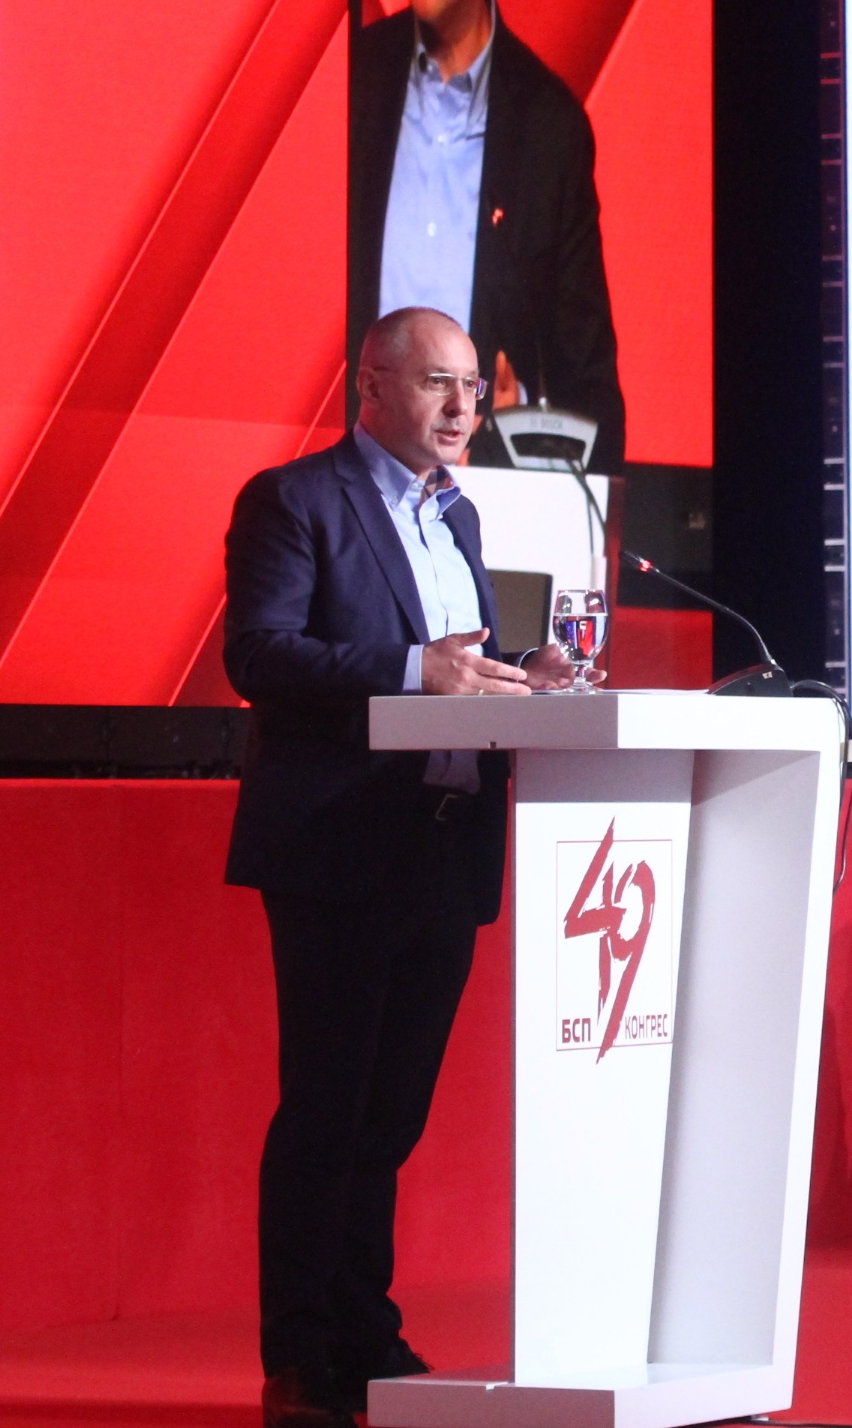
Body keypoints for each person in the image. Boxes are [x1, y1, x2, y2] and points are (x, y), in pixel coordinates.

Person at [224, 306, 579, 1428]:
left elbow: (458, 664)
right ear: (370, 386)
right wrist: (414, 673)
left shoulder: (458, 513)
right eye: (438, 384)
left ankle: (364, 1334)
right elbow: (259, 653)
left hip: (445, 843)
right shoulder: (296, 500)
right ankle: (302, 1358)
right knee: (327, 1111)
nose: (465, 408)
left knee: (391, 1118)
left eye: (473, 386)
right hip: (341, 845)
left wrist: (523, 674)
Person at [350, 0, 627, 470]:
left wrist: (520, 424)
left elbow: (597, 411)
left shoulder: (550, 135)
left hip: (477, 528)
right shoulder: (348, 87)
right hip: (340, 520)